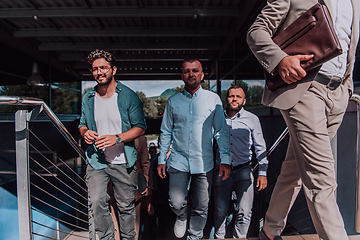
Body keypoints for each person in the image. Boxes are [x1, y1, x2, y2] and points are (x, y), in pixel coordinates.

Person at [247, 0, 359, 239]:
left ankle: (270, 230)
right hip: (305, 89)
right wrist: (280, 60)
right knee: (322, 177)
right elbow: (256, 32)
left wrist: (347, 88)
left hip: (338, 94)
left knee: (295, 169)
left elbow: (350, 43)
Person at [157, 57, 232, 240]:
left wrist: (225, 159)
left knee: (202, 205)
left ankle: (195, 236)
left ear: (202, 75)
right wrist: (161, 159)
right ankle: (182, 216)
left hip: (203, 162)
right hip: (178, 160)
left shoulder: (213, 99)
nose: (191, 74)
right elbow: (166, 131)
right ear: (182, 76)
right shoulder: (173, 101)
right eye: (187, 71)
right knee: (175, 202)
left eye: (195, 70)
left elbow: (221, 131)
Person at [79, 49, 146, 240]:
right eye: (95, 69)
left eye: (103, 68)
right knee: (97, 202)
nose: (99, 72)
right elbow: (82, 124)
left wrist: (117, 138)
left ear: (113, 70)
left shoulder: (129, 96)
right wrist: (85, 133)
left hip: (123, 161)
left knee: (126, 207)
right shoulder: (88, 98)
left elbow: (140, 128)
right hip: (96, 160)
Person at [213, 85, 268, 239]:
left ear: (244, 101)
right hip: (221, 171)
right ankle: (219, 237)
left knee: (244, 211)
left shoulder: (252, 119)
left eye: (238, 96)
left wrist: (262, 172)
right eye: (231, 96)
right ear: (226, 99)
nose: (234, 99)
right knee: (220, 210)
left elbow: (260, 146)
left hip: (244, 170)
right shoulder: (217, 120)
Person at [134, 135, 153, 240]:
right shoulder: (141, 138)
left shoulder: (141, 139)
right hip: (135, 183)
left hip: (137, 184)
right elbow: (145, 163)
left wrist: (147, 185)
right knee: (134, 218)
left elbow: (146, 164)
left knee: (135, 217)